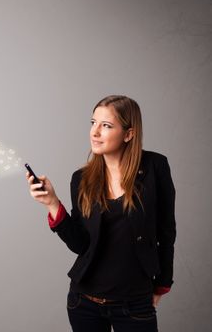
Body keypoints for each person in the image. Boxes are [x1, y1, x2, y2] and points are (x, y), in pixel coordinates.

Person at [26, 95, 176, 332]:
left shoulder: (155, 167)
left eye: (106, 125)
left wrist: (163, 283)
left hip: (134, 302)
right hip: (83, 302)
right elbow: (80, 244)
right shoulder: (81, 179)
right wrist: (52, 203)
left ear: (129, 134)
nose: (95, 132)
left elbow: (167, 231)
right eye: (93, 122)